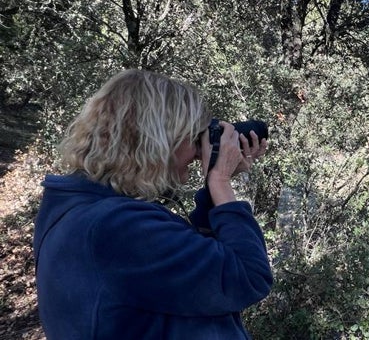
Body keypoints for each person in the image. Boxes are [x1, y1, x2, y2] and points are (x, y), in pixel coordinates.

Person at [33, 69, 273, 339]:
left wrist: (212, 190)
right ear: (158, 139)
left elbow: (201, 260)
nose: (197, 152)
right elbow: (248, 277)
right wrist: (220, 181)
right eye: (194, 137)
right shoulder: (114, 227)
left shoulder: (84, 211)